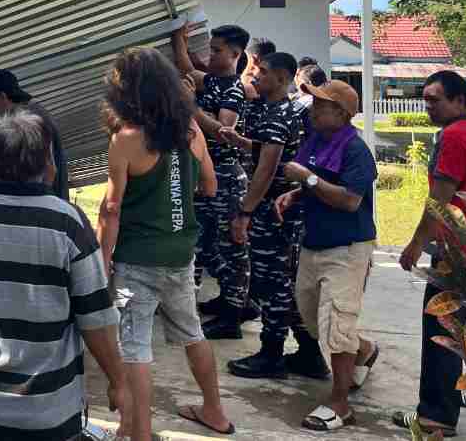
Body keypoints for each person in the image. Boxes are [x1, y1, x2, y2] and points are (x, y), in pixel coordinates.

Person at [0, 111, 130, 441]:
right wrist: (118, 381)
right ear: (48, 162)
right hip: (49, 416)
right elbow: (96, 319)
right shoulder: (68, 224)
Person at [96, 47, 233, 439]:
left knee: (134, 346)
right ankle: (214, 411)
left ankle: (137, 432)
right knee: (192, 332)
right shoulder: (190, 130)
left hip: (138, 258)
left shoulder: (126, 138)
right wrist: (176, 190)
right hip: (180, 254)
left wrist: (102, 262)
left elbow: (111, 209)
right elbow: (210, 185)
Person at [392, 71, 466, 437]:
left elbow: (440, 200)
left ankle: (436, 416)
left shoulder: (456, 136)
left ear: (460, 100)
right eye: (425, 99)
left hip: (457, 252)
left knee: (441, 329)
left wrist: (415, 243)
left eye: (435, 99)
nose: (428, 106)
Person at [273, 81, 380, 432]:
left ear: (342, 113)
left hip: (347, 248)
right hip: (314, 244)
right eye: (314, 104)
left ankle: (340, 404)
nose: (314, 110)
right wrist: (296, 194)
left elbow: (349, 200)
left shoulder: (356, 150)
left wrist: (307, 180)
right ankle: (363, 350)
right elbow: (313, 183)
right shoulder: (317, 140)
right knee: (313, 318)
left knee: (337, 323)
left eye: (322, 105)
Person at [218, 52, 325, 379]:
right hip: (285, 211)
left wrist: (245, 213)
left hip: (274, 214)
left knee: (272, 283)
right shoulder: (285, 110)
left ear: (281, 78)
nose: (255, 76)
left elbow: (266, 170)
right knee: (285, 283)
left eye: (263, 72)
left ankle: (272, 354)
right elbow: (270, 150)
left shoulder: (277, 114)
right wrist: (243, 142)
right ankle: (309, 354)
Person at [170, 24, 258, 325]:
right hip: (205, 174)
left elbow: (224, 132)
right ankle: (230, 300)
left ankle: (234, 313)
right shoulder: (212, 80)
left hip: (224, 177)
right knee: (204, 244)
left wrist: (191, 107)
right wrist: (179, 39)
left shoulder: (233, 90)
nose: (210, 55)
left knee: (230, 246)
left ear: (235, 54)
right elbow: (186, 68)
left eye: (216, 50)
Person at [0, 69, 68, 200]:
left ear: (2, 96)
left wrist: (42, 201)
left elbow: (50, 170)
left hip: (41, 201)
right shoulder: (31, 114)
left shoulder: (29, 121)